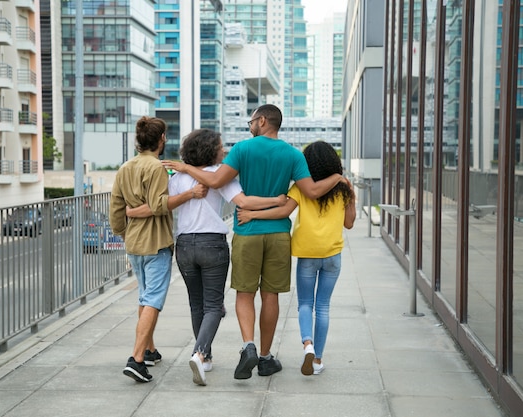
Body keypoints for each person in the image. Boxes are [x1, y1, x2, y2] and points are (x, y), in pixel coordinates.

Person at [162, 104, 346, 380]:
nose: (249, 126)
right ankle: (265, 356)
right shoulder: (293, 155)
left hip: (247, 231)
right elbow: (312, 190)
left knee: (244, 293)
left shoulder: (242, 150)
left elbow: (214, 180)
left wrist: (185, 167)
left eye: (251, 121)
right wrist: (337, 176)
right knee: (270, 295)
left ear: (262, 121)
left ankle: (248, 344)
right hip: (278, 235)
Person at [126, 128, 287, 386]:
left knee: (196, 303)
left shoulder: (176, 176)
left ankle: (206, 356)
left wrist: (131, 211)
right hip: (212, 244)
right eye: (220, 146)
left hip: (185, 245)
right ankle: (199, 354)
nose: (223, 150)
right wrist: (277, 201)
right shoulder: (219, 175)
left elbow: (160, 203)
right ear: (210, 150)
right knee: (213, 305)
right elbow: (243, 202)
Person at [237, 140, 355, 375]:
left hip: (307, 254)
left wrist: (252, 215)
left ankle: (307, 343)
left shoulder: (301, 188)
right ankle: (318, 359)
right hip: (332, 255)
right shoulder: (344, 188)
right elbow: (349, 223)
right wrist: (350, 193)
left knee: (304, 304)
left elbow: (282, 211)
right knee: (323, 307)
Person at [109, 116, 207, 383]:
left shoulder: (125, 167)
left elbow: (116, 209)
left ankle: (150, 350)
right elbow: (158, 204)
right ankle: (136, 358)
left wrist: (123, 230)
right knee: (153, 300)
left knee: (144, 297)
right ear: (161, 139)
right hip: (156, 243)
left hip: (134, 244)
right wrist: (190, 194)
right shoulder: (156, 168)